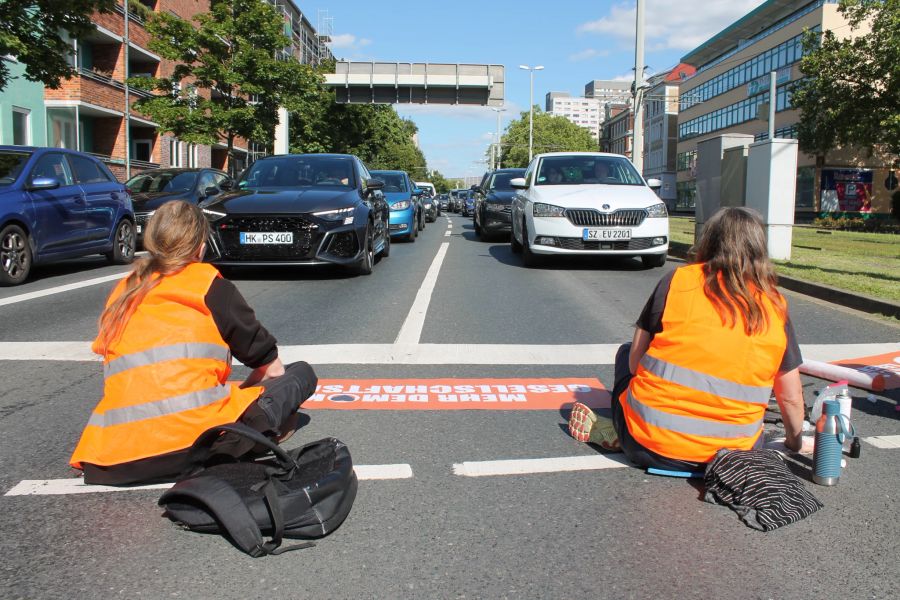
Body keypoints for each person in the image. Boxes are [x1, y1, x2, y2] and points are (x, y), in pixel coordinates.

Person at [70, 201, 318, 485]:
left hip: (113, 461)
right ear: (200, 247)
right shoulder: (208, 286)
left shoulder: (125, 289)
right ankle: (256, 439)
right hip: (193, 449)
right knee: (300, 373)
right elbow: (272, 369)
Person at [568, 207, 805, 471]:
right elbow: (792, 398)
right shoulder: (775, 305)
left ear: (709, 241)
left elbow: (636, 363)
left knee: (625, 353)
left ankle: (621, 427)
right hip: (732, 457)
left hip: (649, 446)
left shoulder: (679, 280)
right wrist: (794, 443)